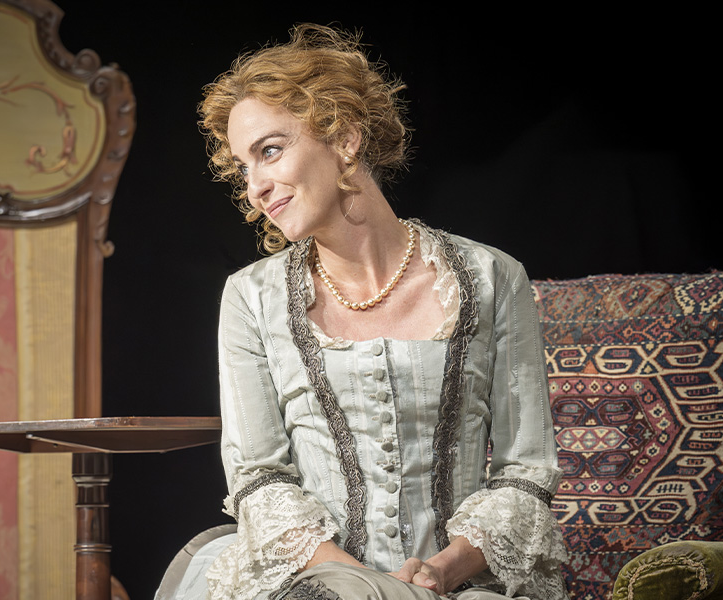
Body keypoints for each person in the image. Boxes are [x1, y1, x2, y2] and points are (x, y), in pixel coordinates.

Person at [158, 24, 568, 600]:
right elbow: (259, 477)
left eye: (270, 151)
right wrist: (364, 587)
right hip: (312, 582)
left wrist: (440, 572)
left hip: (456, 584)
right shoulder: (251, 296)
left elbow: (526, 470)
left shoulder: (491, 277)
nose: (255, 187)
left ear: (345, 138)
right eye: (244, 167)